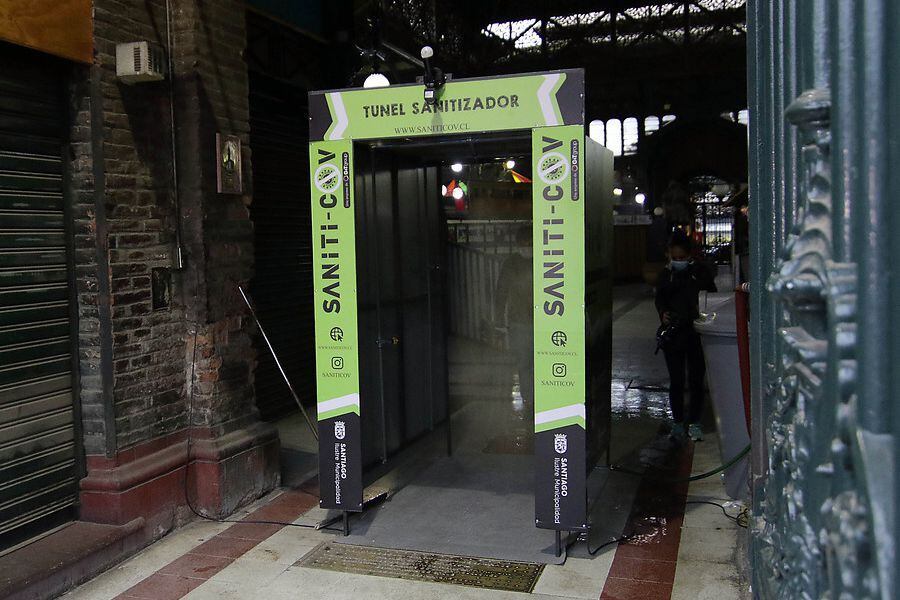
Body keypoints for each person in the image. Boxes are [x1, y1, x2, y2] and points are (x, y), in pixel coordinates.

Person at [655, 232, 716, 441]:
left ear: (689, 255)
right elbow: (659, 299)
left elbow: (711, 297)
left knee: (696, 381)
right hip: (673, 336)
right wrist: (663, 314)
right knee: (677, 381)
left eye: (682, 258)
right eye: (675, 258)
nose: (678, 261)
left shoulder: (700, 273)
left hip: (696, 334)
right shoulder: (665, 275)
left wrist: (701, 310)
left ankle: (695, 423)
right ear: (669, 255)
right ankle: (678, 422)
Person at [494, 225, 534, 408]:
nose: (526, 247)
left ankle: (534, 397)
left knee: (532, 363)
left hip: (539, 321)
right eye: (523, 244)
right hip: (519, 322)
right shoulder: (511, 263)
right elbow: (501, 292)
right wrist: (499, 320)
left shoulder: (545, 261)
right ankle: (529, 398)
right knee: (524, 362)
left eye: (529, 244)